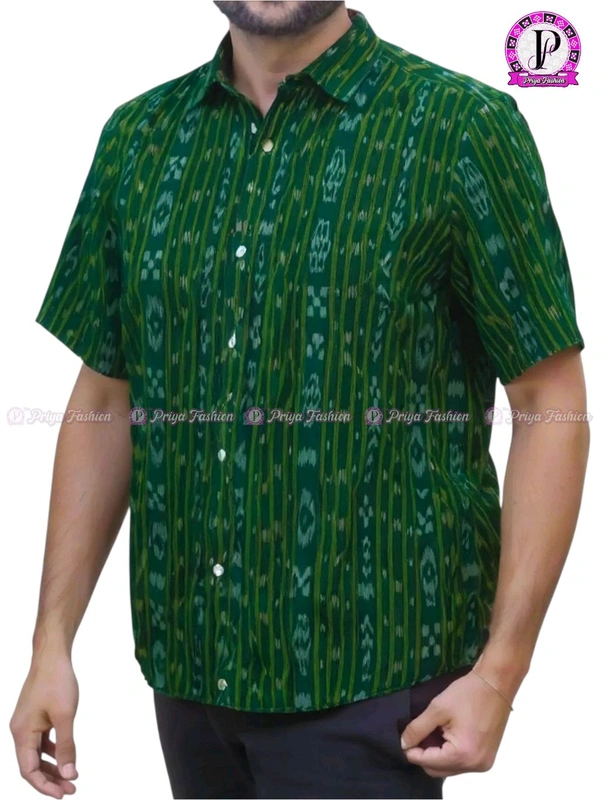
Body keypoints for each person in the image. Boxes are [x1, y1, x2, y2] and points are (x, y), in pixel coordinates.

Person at [10, 2, 589, 798]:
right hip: (191, 671)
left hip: (375, 682)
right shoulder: (140, 138)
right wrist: (51, 644)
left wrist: (501, 672)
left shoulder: (460, 128)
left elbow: (549, 401)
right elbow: (108, 397)